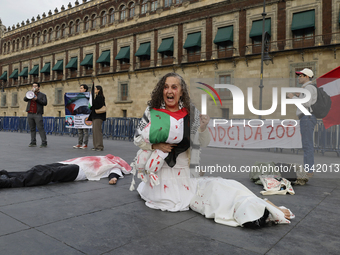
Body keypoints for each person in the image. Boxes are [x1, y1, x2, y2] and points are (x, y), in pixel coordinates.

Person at [133, 73, 294, 228]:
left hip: (186, 175)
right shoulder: (151, 112)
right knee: (213, 195)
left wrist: (202, 127)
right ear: (162, 90)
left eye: (174, 87)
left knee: (225, 184)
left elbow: (203, 143)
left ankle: (260, 203)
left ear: (181, 92)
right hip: (161, 178)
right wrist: (155, 146)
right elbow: (137, 138)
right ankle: (255, 209)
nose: (169, 91)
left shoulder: (191, 113)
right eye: (166, 87)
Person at [0, 154, 131, 188]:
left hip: (79, 171)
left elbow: (115, 173)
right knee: (40, 168)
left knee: (49, 174)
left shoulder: (113, 164)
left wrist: (113, 179)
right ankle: (8, 174)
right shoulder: (102, 157)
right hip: (69, 162)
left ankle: (9, 183)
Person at [287, 68, 317, 176]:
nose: (298, 77)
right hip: (307, 118)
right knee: (307, 144)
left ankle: (308, 171)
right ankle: (308, 169)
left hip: (307, 118)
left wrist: (293, 97)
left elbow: (307, 103)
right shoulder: (307, 88)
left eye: (301, 75)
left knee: (307, 145)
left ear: (307, 77)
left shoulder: (308, 87)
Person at [24, 82, 48, 148]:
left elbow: (45, 103)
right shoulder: (30, 93)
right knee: (32, 129)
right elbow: (25, 99)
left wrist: (37, 99)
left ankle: (44, 142)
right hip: (30, 113)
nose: (34, 87)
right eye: (33, 86)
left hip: (37, 114)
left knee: (40, 128)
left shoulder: (42, 95)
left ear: (39, 87)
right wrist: (29, 93)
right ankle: (33, 141)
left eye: (36, 86)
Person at [89, 85, 106, 151]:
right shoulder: (97, 97)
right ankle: (95, 146)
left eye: (95, 89)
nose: (94, 90)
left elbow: (96, 105)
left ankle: (99, 146)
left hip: (98, 117)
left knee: (97, 132)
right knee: (95, 132)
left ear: (98, 90)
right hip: (95, 116)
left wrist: (92, 98)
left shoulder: (100, 97)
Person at [73, 84, 90, 149]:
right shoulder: (78, 96)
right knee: (80, 131)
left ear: (85, 89)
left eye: (81, 88)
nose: (80, 89)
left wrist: (90, 94)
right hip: (79, 116)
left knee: (85, 131)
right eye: (80, 88)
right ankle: (79, 143)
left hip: (86, 116)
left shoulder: (88, 96)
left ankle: (85, 144)